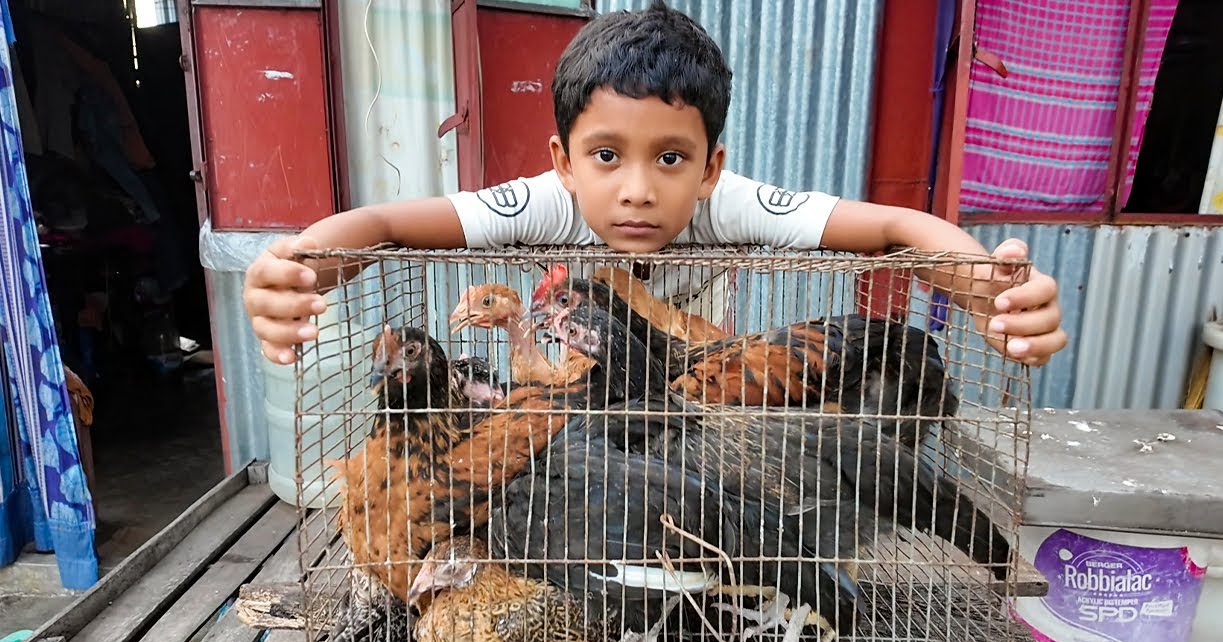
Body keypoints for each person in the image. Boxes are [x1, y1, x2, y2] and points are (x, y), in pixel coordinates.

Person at [243, 1, 1066, 367]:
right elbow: (384, 220)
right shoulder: (541, 205)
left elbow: (896, 228)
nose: (637, 189)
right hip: (576, 392)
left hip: (690, 391)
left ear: (709, 169)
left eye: (670, 159)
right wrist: (300, 268)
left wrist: (989, 294)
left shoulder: (731, 205)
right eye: (607, 156)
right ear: (563, 162)